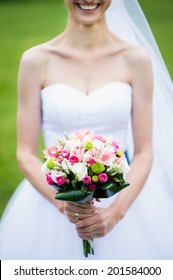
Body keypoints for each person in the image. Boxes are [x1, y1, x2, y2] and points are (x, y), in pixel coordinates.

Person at [0, 0, 173, 259]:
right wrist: (63, 204)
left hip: (124, 199)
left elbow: (144, 151)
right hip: (51, 200)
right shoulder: (36, 60)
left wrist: (115, 214)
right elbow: (24, 152)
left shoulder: (135, 59)